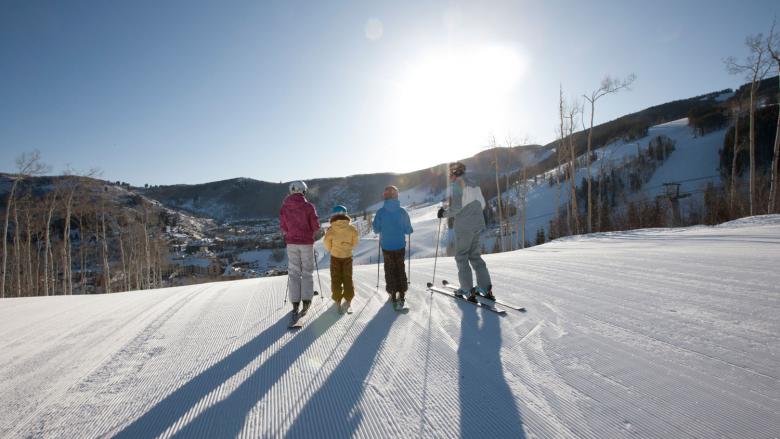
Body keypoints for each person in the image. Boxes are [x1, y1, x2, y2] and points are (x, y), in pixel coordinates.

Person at [437, 162, 495, 302]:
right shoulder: (474, 183)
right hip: (477, 224)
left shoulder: (458, 184)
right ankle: (485, 288)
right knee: (475, 256)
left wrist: (443, 213)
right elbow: (482, 204)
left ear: (455, 173)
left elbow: (456, 208)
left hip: (464, 226)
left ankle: (467, 290)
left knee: (462, 256)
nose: (450, 177)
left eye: (451, 174)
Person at [280, 180, 320, 317]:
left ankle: (295, 302)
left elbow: (283, 227)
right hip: (306, 243)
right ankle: (307, 300)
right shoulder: (309, 206)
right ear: (303, 190)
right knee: (307, 272)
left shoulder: (284, 207)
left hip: (291, 243)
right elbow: (316, 226)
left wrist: (290, 233)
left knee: (294, 272)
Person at [372, 185, 413, 307]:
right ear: (396, 196)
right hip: (400, 245)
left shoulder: (380, 212)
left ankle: (393, 292)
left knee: (389, 269)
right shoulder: (402, 211)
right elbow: (408, 230)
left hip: (387, 247)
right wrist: (408, 229)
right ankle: (402, 292)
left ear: (385, 196)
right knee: (400, 268)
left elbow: (376, 229)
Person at [323, 205, 359, 313]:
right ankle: (348, 299)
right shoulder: (352, 228)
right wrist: (348, 248)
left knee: (336, 278)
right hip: (347, 256)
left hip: (335, 257)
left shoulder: (331, 229)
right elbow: (355, 242)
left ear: (333, 215)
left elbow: (326, 243)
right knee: (347, 277)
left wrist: (332, 249)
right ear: (345, 214)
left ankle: (337, 299)